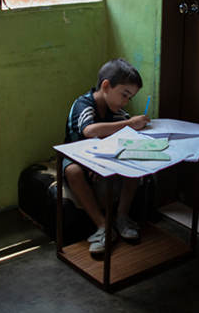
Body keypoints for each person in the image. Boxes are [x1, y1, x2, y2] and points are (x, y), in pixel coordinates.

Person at [64, 58, 150, 254]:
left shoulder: (116, 110)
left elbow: (126, 135)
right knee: (72, 171)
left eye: (130, 98)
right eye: (124, 95)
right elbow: (89, 131)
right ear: (106, 86)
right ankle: (103, 226)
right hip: (78, 155)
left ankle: (122, 216)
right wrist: (130, 124)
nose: (126, 102)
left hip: (105, 155)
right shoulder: (83, 104)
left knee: (134, 158)